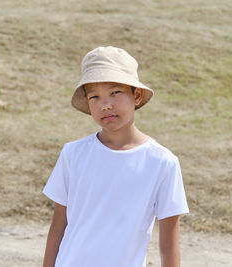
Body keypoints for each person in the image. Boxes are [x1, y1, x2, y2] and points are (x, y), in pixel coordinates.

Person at [42, 46, 189, 267]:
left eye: (115, 92)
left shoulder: (162, 163)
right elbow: (57, 230)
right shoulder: (73, 154)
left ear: (136, 96)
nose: (106, 105)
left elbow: (168, 248)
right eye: (94, 97)